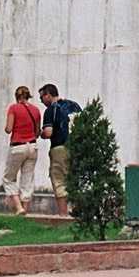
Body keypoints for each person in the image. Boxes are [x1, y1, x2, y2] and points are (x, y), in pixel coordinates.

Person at [39, 83, 83, 218]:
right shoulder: (74, 106)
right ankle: (78, 213)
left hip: (59, 147)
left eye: (41, 97)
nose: (41, 101)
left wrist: (40, 134)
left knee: (59, 180)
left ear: (48, 95)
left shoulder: (51, 110)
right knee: (75, 180)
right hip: (77, 147)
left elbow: (48, 132)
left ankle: (63, 214)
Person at [2, 84, 42, 215]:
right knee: (27, 178)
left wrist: (9, 127)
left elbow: (8, 129)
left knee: (9, 178)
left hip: (18, 146)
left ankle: (19, 208)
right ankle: (26, 208)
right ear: (28, 96)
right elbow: (37, 132)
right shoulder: (36, 110)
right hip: (32, 146)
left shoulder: (13, 108)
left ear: (16, 97)